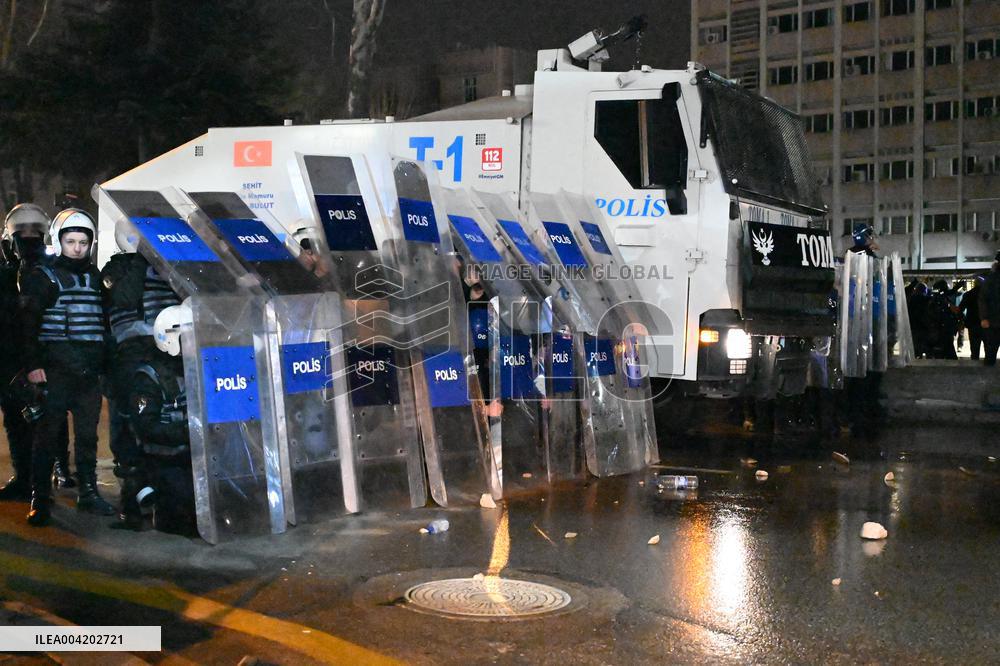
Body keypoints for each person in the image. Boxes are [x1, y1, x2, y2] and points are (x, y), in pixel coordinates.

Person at [20, 209, 115, 526]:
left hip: (88, 373)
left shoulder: (96, 278)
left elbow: (104, 324)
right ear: (59, 241)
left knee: (88, 438)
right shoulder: (43, 277)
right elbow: (28, 325)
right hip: (55, 370)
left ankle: (88, 493)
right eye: (71, 241)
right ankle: (40, 498)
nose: (77, 247)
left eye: (83, 242)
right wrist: (33, 366)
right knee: (46, 438)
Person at [101, 227, 180, 528]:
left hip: (168, 352)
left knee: (162, 422)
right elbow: (124, 297)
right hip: (128, 355)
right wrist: (138, 259)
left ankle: (163, 496)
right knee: (127, 428)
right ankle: (130, 506)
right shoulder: (116, 267)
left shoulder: (169, 266)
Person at [0, 205, 75, 499]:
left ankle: (60, 469)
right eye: (22, 232)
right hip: (10, 358)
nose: (29, 237)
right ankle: (25, 477)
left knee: (50, 415)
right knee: (16, 419)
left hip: (46, 355)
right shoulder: (7, 273)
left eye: (35, 232)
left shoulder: (53, 270)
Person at [121, 304, 196, 535]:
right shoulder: (149, 377)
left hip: (192, 456)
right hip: (163, 459)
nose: (195, 343)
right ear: (171, 340)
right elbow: (146, 428)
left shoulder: (194, 369)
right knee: (184, 516)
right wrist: (187, 432)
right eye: (188, 338)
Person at [979, 252, 1000, 367]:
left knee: (991, 352)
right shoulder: (992, 279)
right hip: (994, 321)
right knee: (991, 353)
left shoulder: (991, 278)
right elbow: (983, 299)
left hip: (993, 321)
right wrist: (984, 318)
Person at [960, 275, 986, 360]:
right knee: (988, 345)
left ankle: (975, 361)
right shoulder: (987, 295)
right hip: (985, 323)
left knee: (974, 347)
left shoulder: (968, 294)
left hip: (972, 324)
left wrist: (962, 319)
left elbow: (961, 308)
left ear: (974, 284)